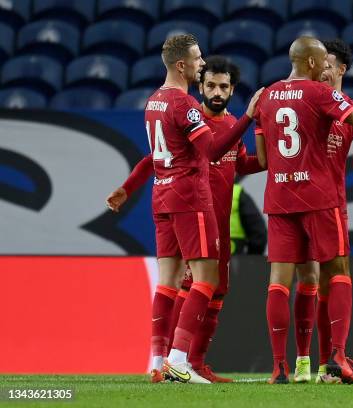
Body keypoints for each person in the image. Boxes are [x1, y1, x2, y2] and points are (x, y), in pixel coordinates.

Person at [105, 35, 263, 384]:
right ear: (182, 65)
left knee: (168, 282)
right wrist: (249, 117)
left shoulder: (153, 101)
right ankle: (180, 360)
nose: (201, 62)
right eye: (197, 58)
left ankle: (159, 361)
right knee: (205, 280)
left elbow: (156, 156)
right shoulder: (184, 103)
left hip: (161, 197)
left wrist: (128, 187)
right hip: (190, 197)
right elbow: (211, 151)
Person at [253, 36, 353, 384]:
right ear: (312, 63)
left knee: (279, 282)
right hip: (320, 198)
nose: (324, 67)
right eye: (321, 61)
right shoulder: (321, 94)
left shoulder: (267, 95)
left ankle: (280, 366)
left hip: (279, 198)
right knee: (337, 271)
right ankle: (337, 357)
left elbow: (264, 159)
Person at [290, 38, 353, 384]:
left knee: (326, 281)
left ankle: (327, 364)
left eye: (329, 63)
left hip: (332, 201)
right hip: (304, 202)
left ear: (342, 70)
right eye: (319, 63)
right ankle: (317, 359)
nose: (322, 69)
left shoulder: (350, 110)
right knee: (315, 278)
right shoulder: (302, 100)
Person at [229, 182, 267, 255]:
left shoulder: (201, 191)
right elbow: (259, 234)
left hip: (205, 260)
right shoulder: (236, 193)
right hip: (235, 260)